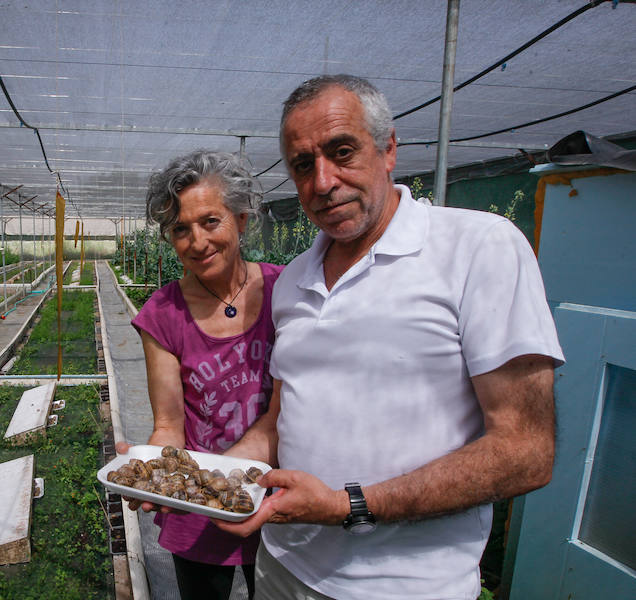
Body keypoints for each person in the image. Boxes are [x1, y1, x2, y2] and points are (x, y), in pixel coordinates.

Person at [214, 75, 565, 600]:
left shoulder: (478, 248)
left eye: (342, 152)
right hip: (282, 568)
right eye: (303, 165)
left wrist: (347, 506)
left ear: (389, 149)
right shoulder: (293, 281)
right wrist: (209, 476)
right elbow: (279, 419)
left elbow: (526, 450)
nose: (322, 181)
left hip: (407, 587)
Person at [122, 150, 284, 600]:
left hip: (278, 499)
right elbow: (169, 424)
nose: (197, 242)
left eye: (211, 221)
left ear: (242, 219)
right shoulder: (163, 314)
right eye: (180, 229)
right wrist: (152, 469)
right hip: (198, 506)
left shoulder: (286, 291)